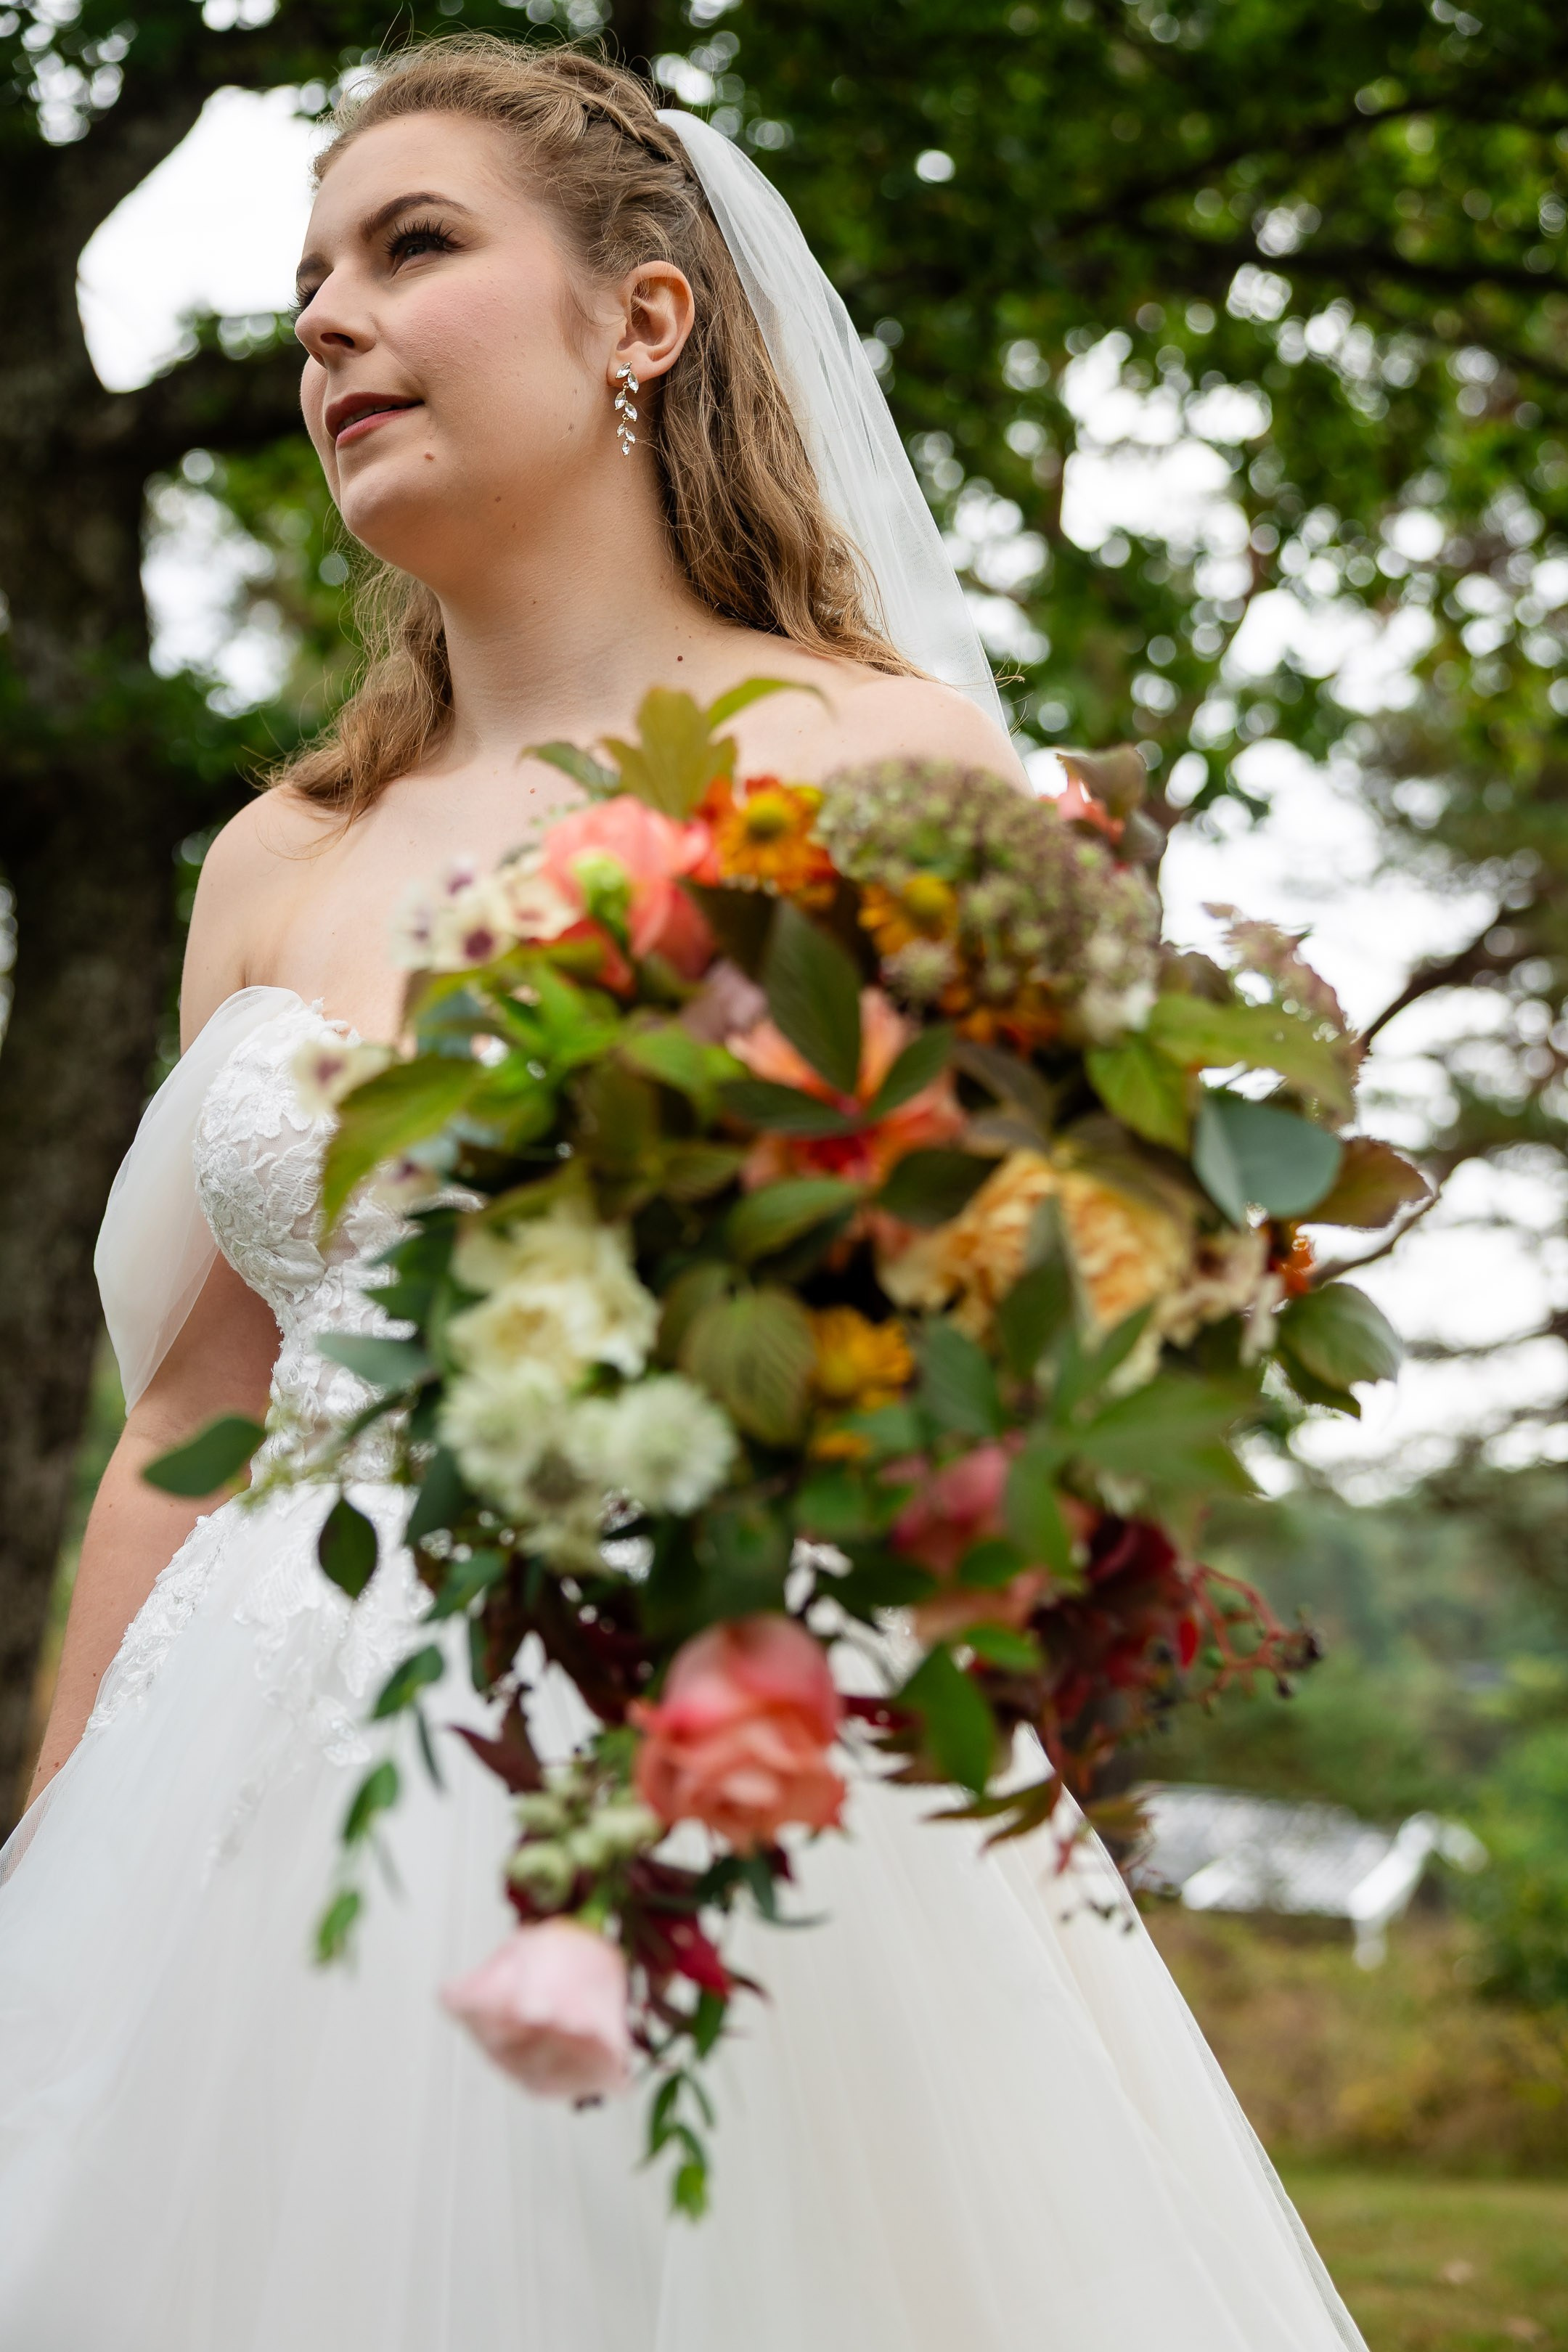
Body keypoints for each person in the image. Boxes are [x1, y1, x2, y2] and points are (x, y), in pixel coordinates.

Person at [0, 39, 1367, 2351]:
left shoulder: (903, 764)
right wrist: (54, 1858)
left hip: (750, 1766)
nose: (326, 319)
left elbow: (1035, 1348)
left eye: (412, 248)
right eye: (307, 275)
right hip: (241, 1795)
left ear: (644, 319)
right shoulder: (273, 855)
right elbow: (179, 1419)